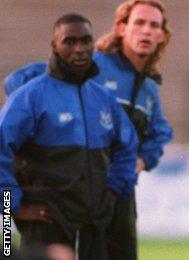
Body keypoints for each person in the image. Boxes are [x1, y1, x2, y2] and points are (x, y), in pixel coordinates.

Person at [1, 2, 174, 259]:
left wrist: (114, 193)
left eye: (85, 41)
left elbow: (134, 144)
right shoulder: (34, 94)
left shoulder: (106, 97)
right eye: (70, 41)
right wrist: (11, 209)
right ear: (55, 46)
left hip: (94, 214)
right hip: (46, 216)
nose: (79, 49)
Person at [94, 1, 173, 259]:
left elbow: (160, 132)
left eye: (154, 25)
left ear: (161, 35)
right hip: (82, 192)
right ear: (121, 28)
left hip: (122, 196)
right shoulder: (93, 67)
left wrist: (140, 161)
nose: (146, 31)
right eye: (139, 23)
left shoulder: (149, 88)